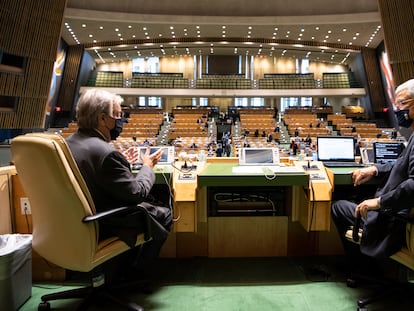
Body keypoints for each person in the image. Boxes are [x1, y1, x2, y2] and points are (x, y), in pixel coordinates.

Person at [66, 89, 173, 277]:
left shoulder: (68, 144)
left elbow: (94, 171)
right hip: (107, 220)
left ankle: (119, 269)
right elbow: (137, 193)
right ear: (101, 119)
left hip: (77, 220)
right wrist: (147, 166)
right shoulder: (105, 152)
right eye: (117, 115)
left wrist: (121, 162)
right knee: (164, 214)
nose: (121, 121)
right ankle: (134, 273)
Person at [331, 79, 414, 269]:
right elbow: (401, 164)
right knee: (359, 197)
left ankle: (363, 267)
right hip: (399, 211)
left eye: (402, 103)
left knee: (339, 206)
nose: (397, 109)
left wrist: (379, 202)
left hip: (395, 220)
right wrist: (375, 169)